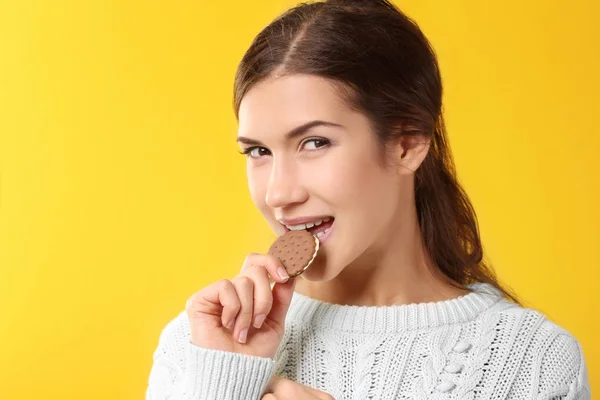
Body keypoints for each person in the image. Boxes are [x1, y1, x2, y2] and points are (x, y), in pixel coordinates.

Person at [145, 0, 591, 399]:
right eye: (258, 151)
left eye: (315, 142)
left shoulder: (533, 364)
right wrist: (222, 379)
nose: (278, 193)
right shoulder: (200, 342)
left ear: (407, 144)